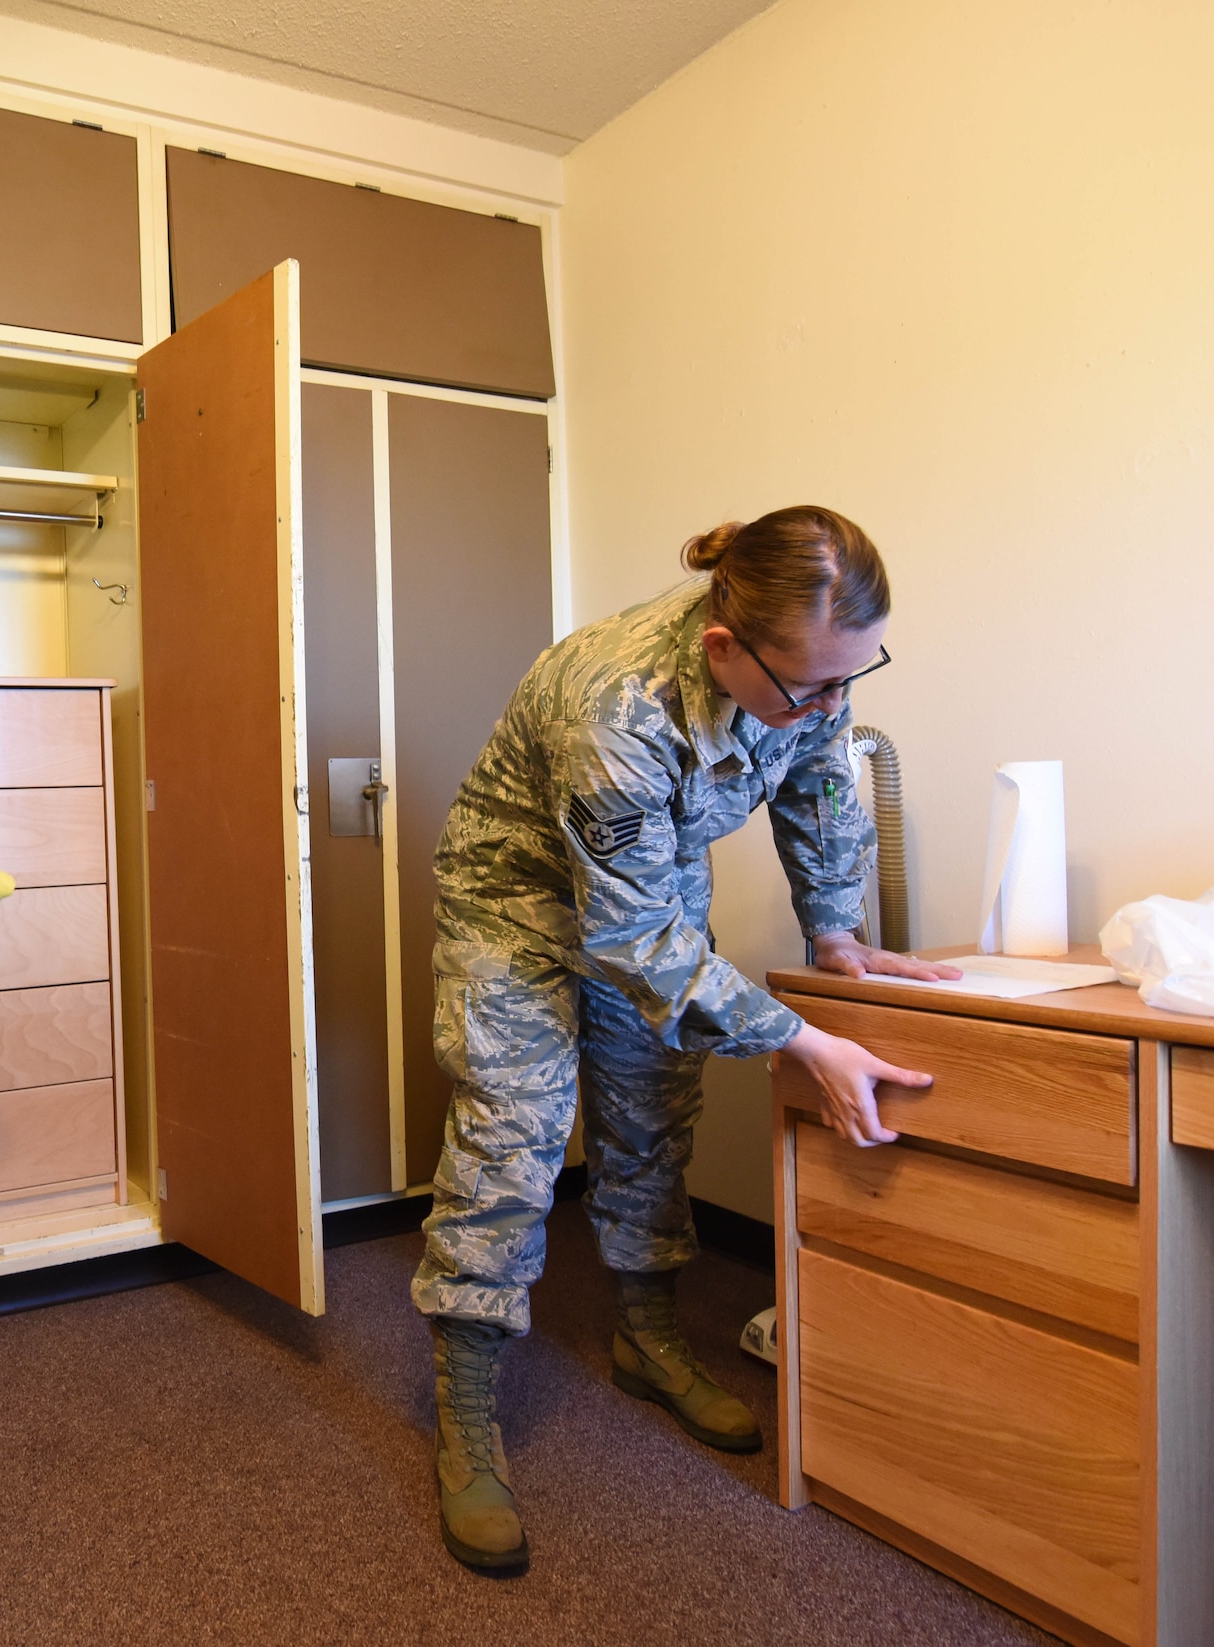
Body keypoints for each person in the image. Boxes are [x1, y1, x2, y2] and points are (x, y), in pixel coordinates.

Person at [409, 505, 959, 1572]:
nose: (831, 703)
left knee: (652, 1118)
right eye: (813, 686)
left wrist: (835, 933)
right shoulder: (611, 702)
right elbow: (623, 935)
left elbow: (816, 774)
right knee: (512, 1141)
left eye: (855, 677)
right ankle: (465, 1406)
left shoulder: (802, 664)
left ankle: (645, 1338)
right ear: (722, 648)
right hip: (514, 915)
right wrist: (794, 1038)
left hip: (644, 899)